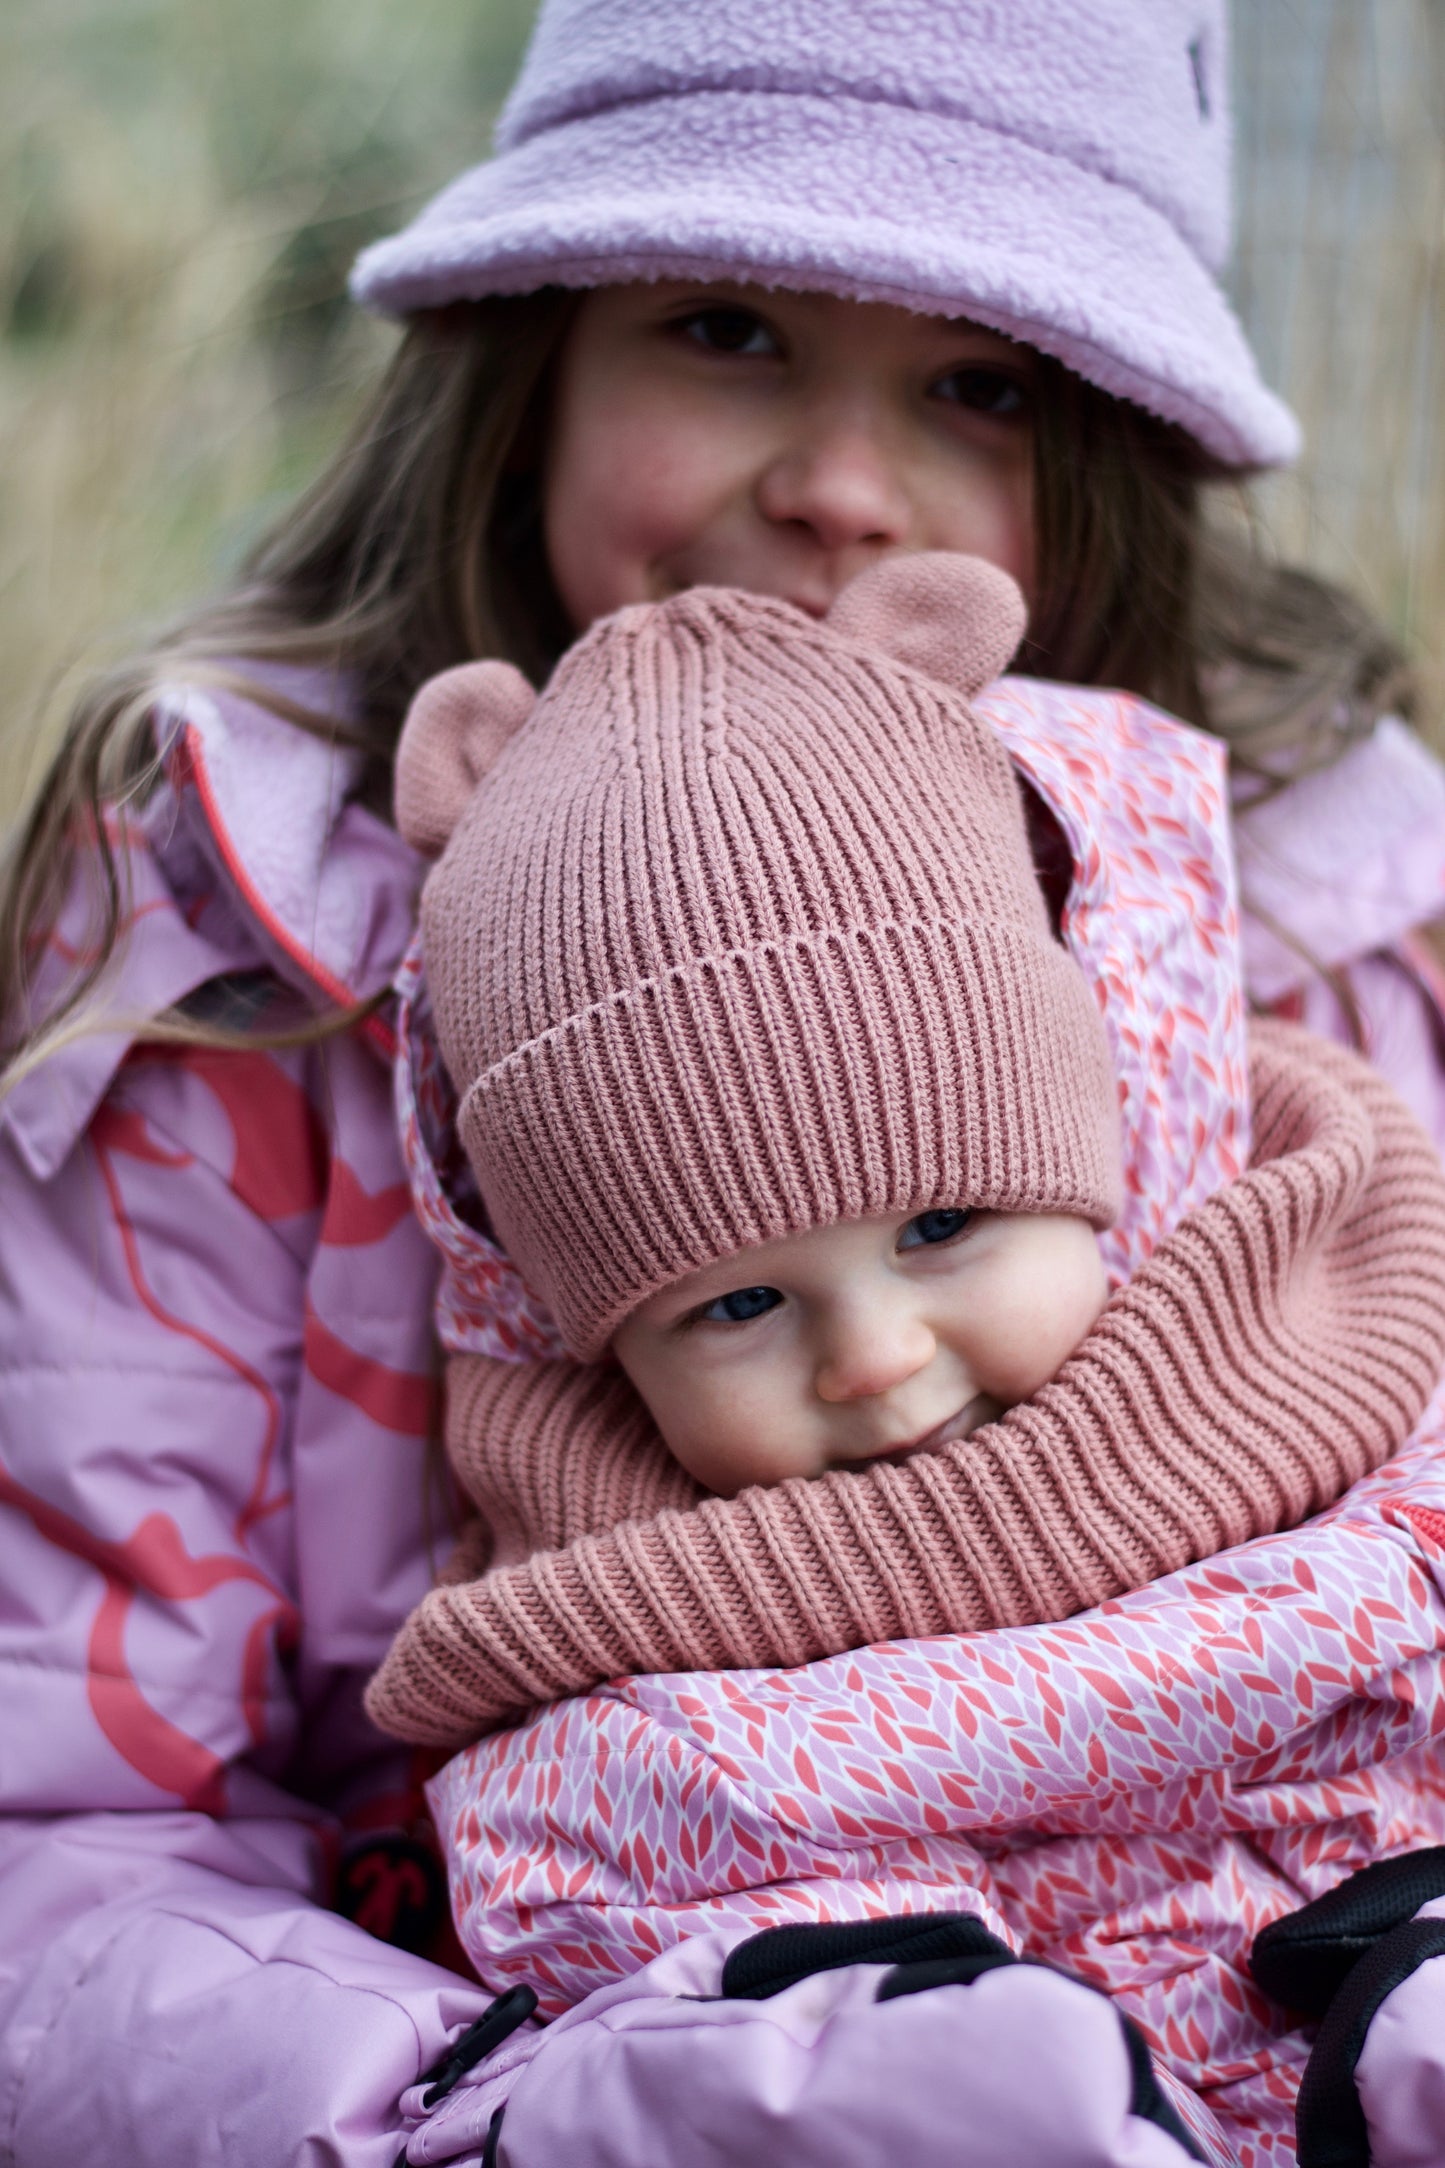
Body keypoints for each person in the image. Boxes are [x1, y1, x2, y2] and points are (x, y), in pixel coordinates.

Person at [2, 0, 1444, 2161]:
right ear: (533, 352)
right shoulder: (230, 964)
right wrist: (527, 2110)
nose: (842, 485)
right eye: (726, 326)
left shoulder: (1316, 921)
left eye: (979, 383)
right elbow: (66, 1818)